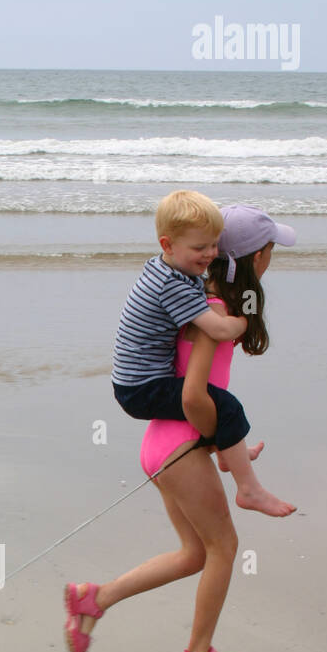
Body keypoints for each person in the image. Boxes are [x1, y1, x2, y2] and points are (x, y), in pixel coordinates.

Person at [65, 202, 298, 652]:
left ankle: (95, 599)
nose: (273, 258)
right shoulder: (210, 308)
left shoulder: (196, 293)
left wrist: (221, 446)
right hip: (180, 449)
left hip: (165, 446)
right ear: (256, 258)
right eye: (271, 250)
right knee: (224, 548)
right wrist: (213, 444)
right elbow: (193, 395)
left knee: (195, 553)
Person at [111, 191, 295, 518]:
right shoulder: (191, 293)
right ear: (257, 258)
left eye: (213, 246)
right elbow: (217, 336)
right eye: (201, 248)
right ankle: (248, 488)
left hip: (140, 389)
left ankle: (229, 449)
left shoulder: (176, 273)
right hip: (142, 389)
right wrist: (240, 322)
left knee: (197, 553)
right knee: (227, 406)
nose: (209, 253)